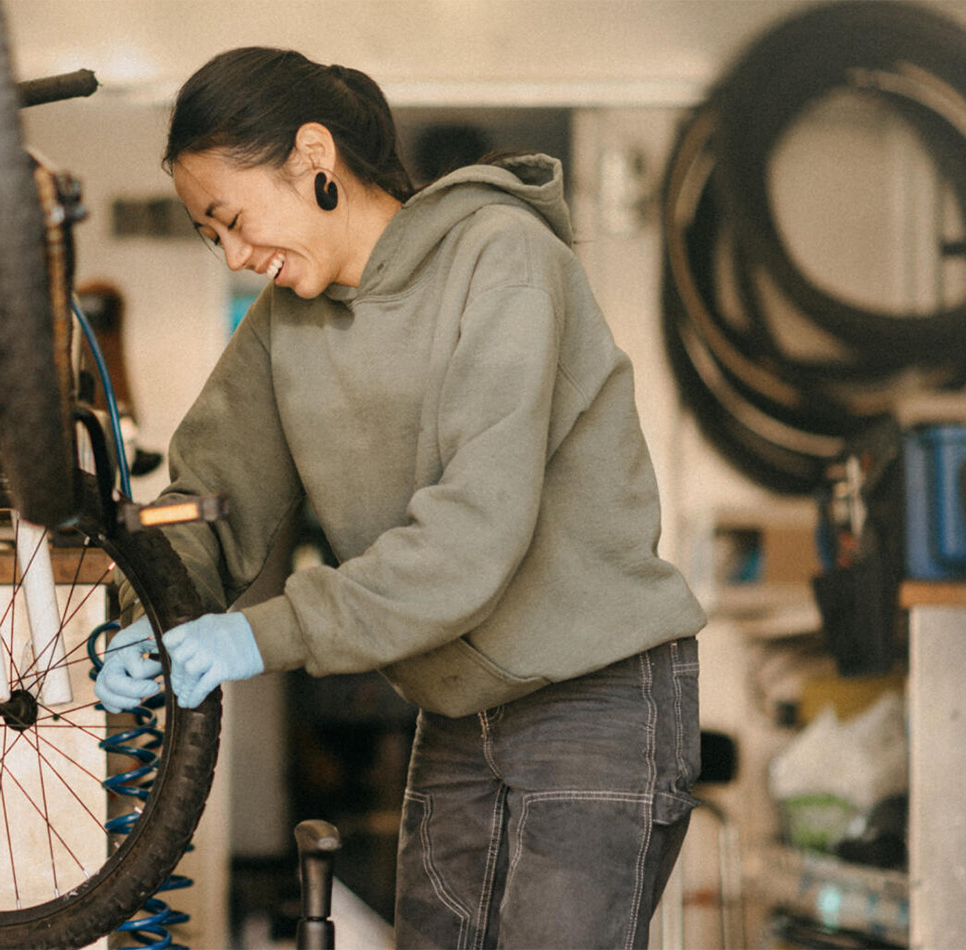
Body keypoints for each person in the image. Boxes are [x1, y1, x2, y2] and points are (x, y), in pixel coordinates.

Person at [92, 46, 707, 949]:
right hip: (458, 709)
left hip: (595, 700)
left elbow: (471, 537)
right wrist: (150, 607)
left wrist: (259, 634)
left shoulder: (504, 262)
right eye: (207, 235)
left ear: (314, 158)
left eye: (232, 218)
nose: (232, 252)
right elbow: (210, 497)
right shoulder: (283, 326)